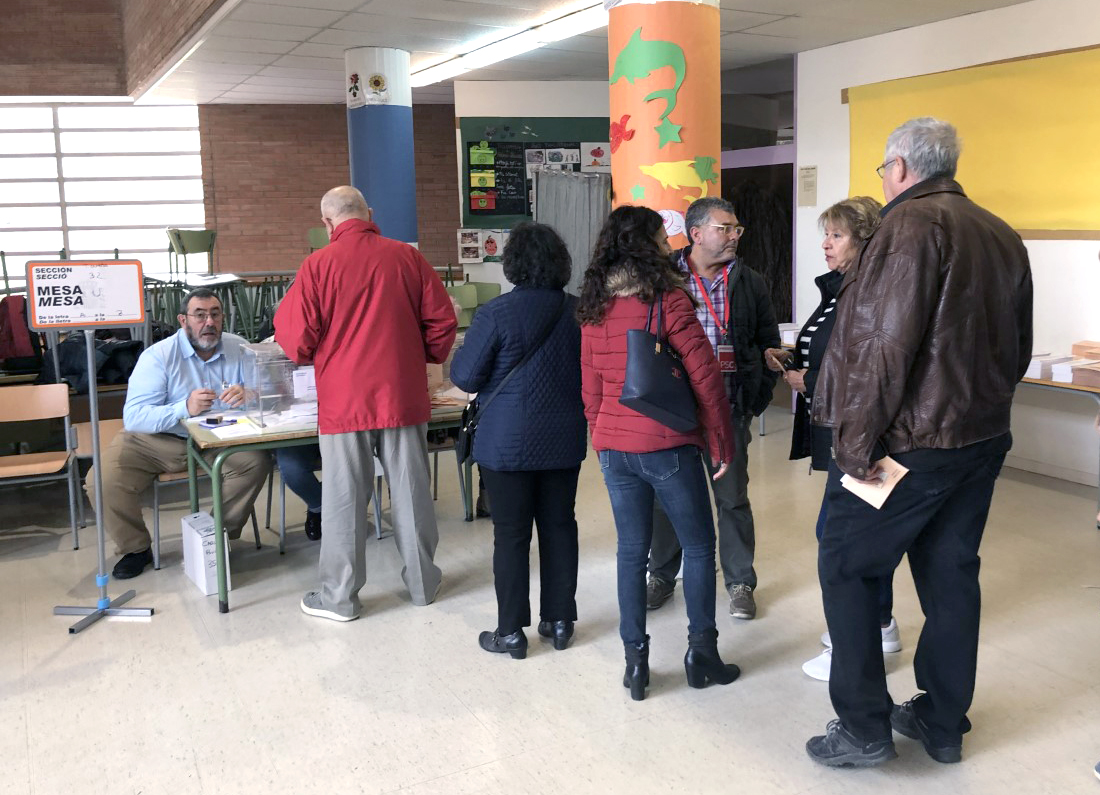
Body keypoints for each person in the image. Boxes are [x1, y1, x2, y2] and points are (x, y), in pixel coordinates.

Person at [804, 118, 1032, 767]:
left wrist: (853, 451)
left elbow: (881, 349)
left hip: (905, 446)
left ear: (900, 167)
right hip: (980, 439)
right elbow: (1015, 349)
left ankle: (863, 726)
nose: (882, 180)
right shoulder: (1000, 233)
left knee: (845, 560)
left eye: (882, 169)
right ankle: (941, 719)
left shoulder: (905, 229)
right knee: (951, 570)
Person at [275, 185, 457, 621]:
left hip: (344, 403)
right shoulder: (408, 258)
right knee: (412, 493)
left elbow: (296, 340)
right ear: (369, 213)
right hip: (401, 396)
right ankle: (422, 585)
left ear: (327, 222)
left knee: (344, 500)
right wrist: (420, 357)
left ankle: (339, 599)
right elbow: (442, 321)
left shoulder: (316, 266)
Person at [578, 205, 739, 700]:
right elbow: (705, 376)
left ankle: (636, 662)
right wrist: (720, 439)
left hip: (614, 448)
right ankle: (701, 654)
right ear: (650, 245)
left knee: (631, 551)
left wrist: (602, 434)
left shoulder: (593, 306)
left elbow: (590, 387)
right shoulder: (667, 300)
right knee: (696, 546)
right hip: (667, 443)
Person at [763, 197, 900, 682]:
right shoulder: (840, 289)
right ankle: (876, 623)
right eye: (827, 233)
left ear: (863, 242)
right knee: (848, 533)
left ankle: (863, 637)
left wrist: (813, 380)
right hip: (845, 430)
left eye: (837, 235)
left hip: (863, 434)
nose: (826, 243)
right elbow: (832, 348)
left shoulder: (868, 293)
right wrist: (794, 357)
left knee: (844, 537)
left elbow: (870, 367)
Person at [450, 222, 586, 659]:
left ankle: (510, 632)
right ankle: (560, 621)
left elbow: (466, 377)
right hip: (564, 438)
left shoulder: (495, 313)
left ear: (512, 265)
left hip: (506, 444)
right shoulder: (580, 312)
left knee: (510, 536)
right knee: (560, 527)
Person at [645, 196, 780, 620]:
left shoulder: (749, 280)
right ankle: (662, 576)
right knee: (666, 497)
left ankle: (740, 581)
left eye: (737, 228)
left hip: (728, 405)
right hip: (674, 406)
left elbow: (767, 341)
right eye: (726, 228)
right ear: (696, 233)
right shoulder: (665, 277)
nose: (734, 236)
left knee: (732, 497)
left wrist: (756, 396)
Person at [89, 288, 271, 579]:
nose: (208, 322)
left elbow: (271, 391)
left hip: (218, 437)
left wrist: (252, 393)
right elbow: (134, 416)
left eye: (214, 314)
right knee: (101, 480)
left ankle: (212, 539)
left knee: (255, 463)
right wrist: (183, 407)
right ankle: (135, 548)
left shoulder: (240, 348)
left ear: (223, 318)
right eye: (199, 315)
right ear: (183, 320)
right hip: (155, 439)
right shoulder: (158, 357)